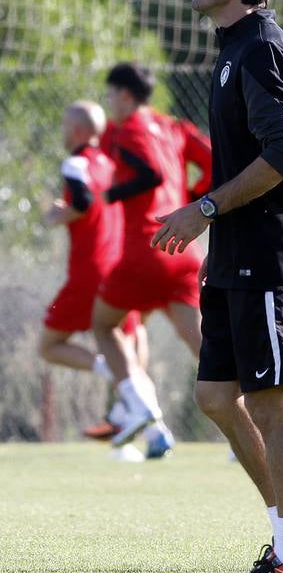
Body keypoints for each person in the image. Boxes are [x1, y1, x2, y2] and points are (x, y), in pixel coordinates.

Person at [151, 0, 283, 573]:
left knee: (273, 399)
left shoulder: (261, 50)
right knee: (218, 396)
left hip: (270, 252)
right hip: (236, 251)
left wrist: (204, 208)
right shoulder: (233, 50)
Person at [92, 63, 208, 459]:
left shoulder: (126, 130)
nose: (108, 103)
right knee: (205, 348)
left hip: (143, 251)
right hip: (180, 250)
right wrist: (192, 201)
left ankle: (137, 409)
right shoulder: (173, 126)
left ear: (125, 96)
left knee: (105, 325)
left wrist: (108, 196)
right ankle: (255, 420)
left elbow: (151, 173)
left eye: (110, 96)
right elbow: (214, 162)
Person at [38, 101, 148, 440]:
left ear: (75, 130)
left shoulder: (75, 162)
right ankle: (141, 422)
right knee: (130, 339)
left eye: (65, 125)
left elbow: (82, 202)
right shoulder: (111, 164)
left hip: (89, 272)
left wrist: (58, 215)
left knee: (48, 345)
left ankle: (113, 377)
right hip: (118, 268)